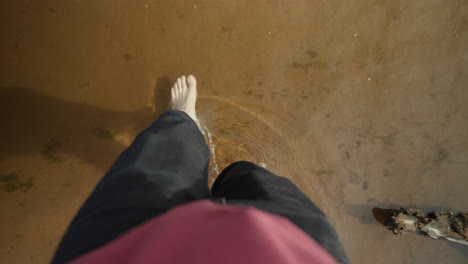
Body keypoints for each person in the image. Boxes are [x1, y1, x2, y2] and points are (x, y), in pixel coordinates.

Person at [51, 75, 350, 264]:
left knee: (165, 159)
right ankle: (234, 176)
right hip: (300, 251)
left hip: (124, 247)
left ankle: (182, 121)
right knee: (253, 178)